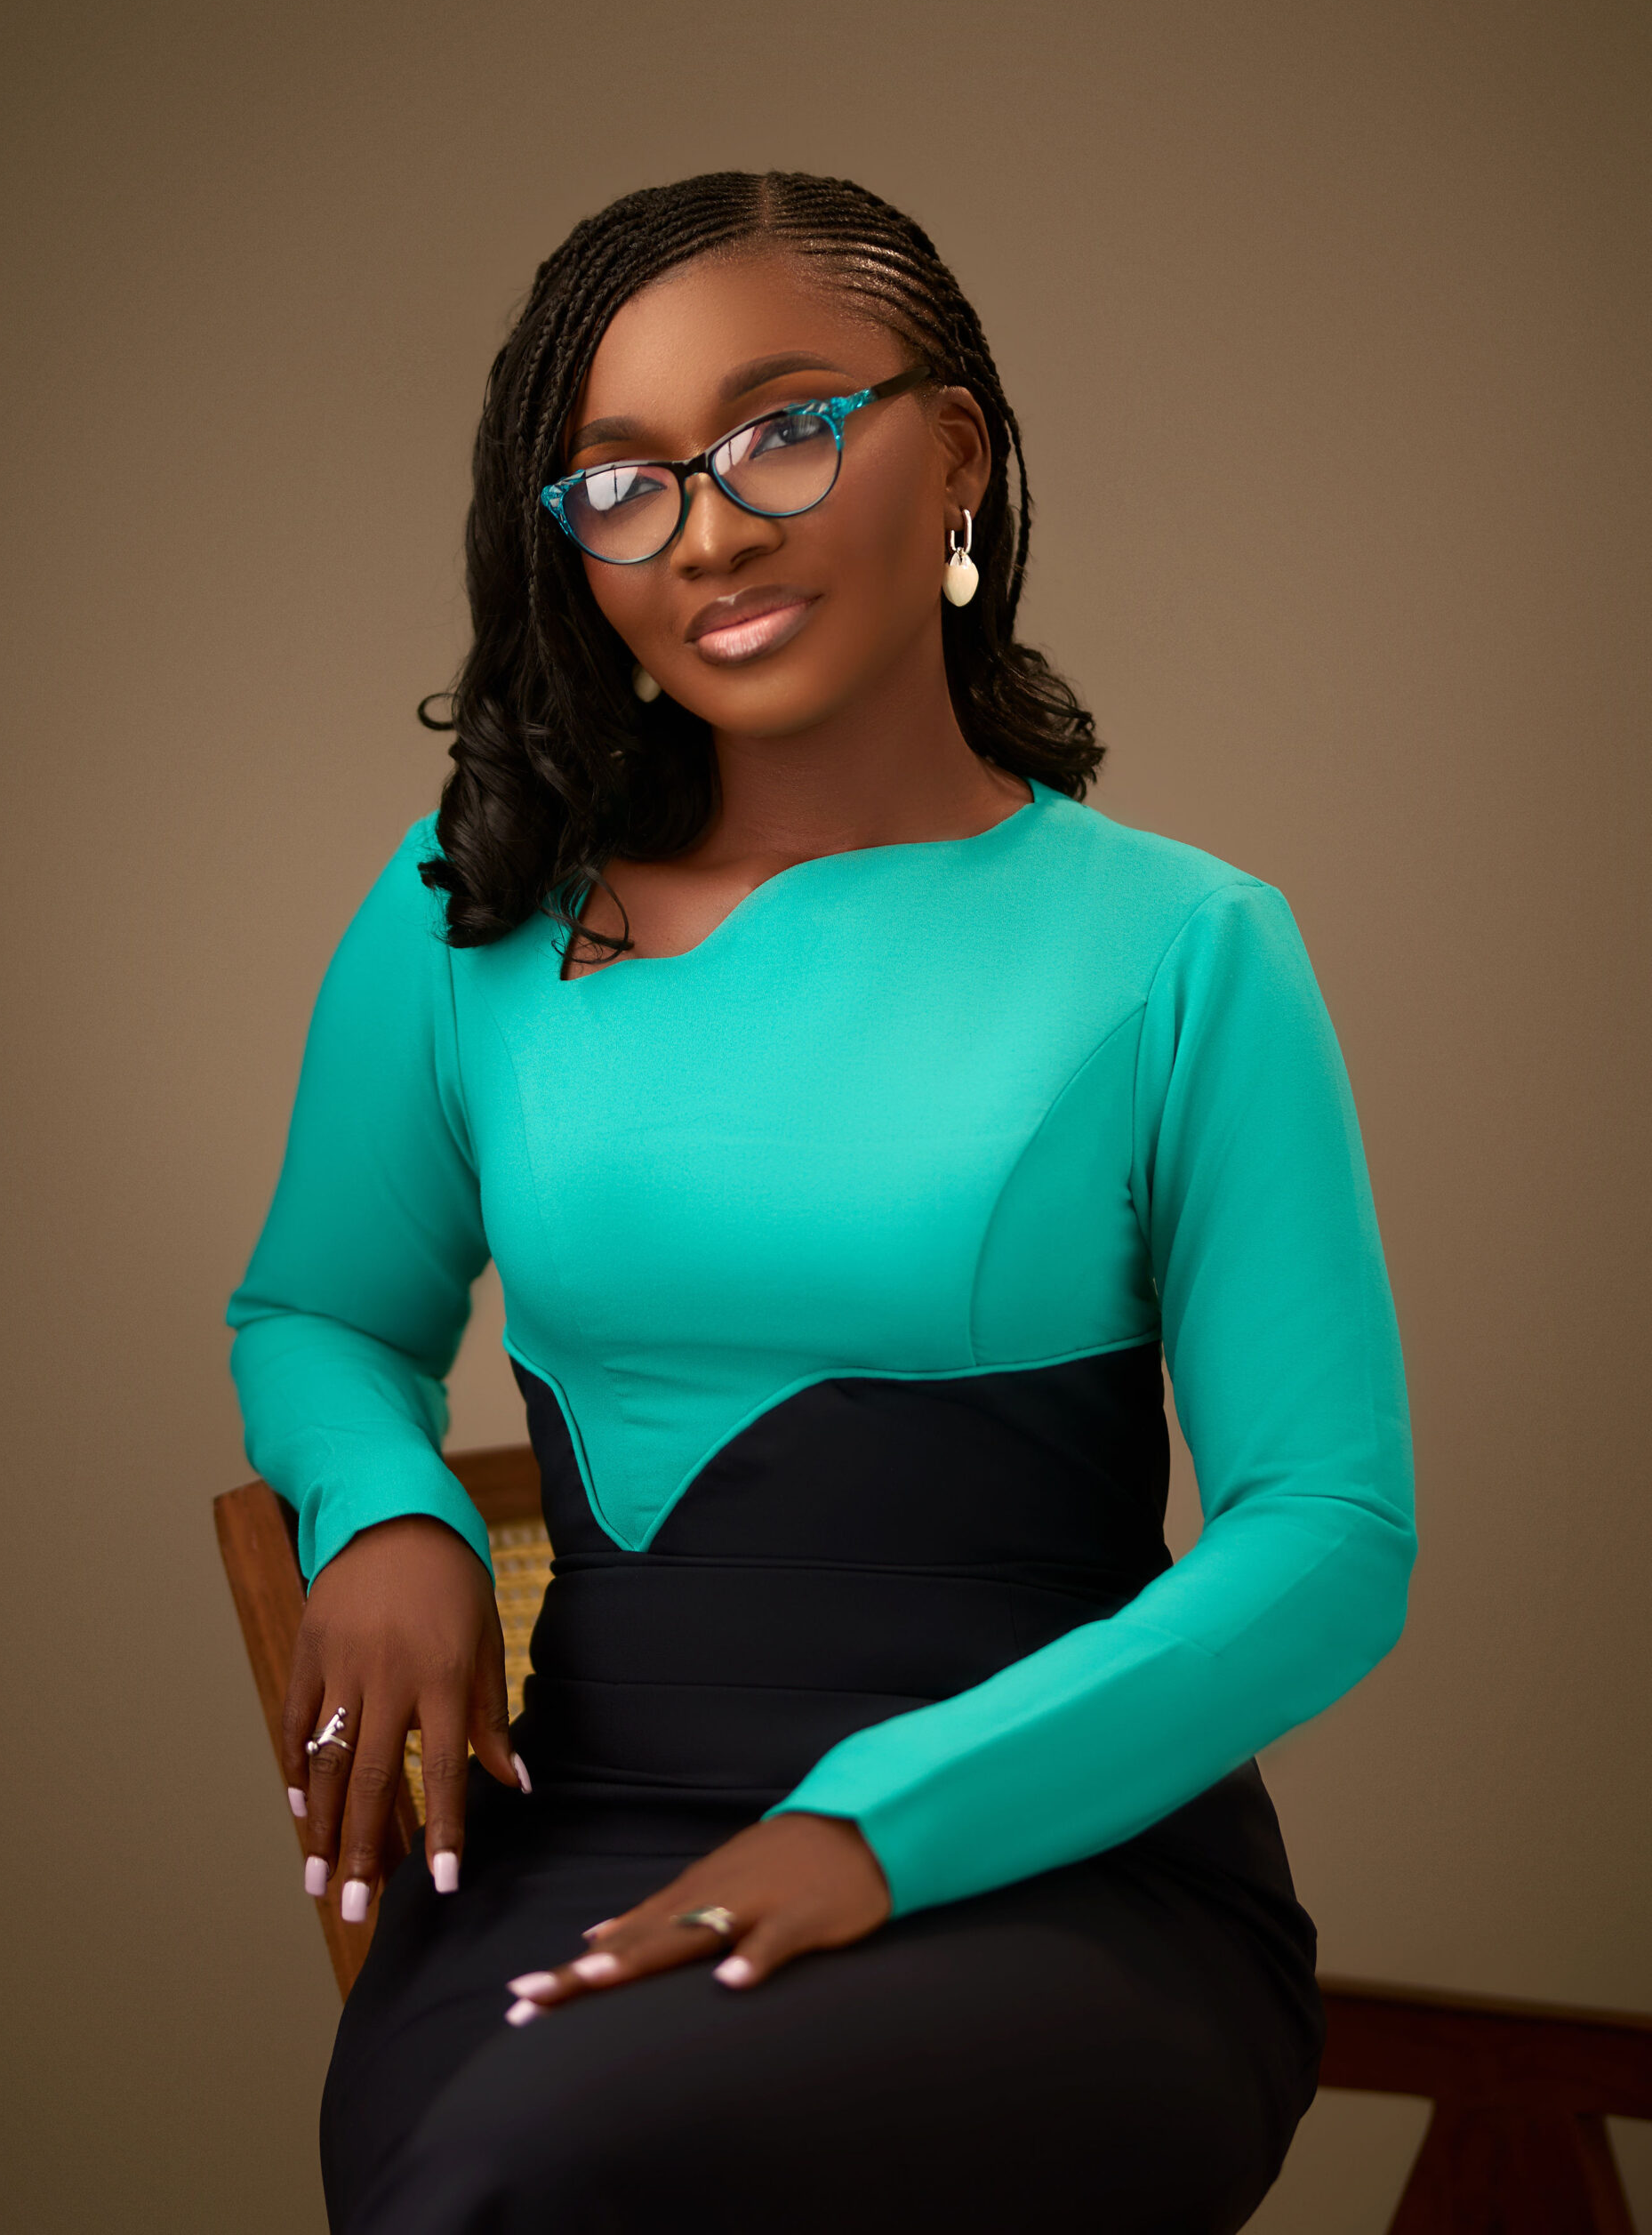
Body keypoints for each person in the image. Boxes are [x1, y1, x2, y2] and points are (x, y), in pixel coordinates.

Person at [227, 170, 1416, 2235]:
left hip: (1069, 1870)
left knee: (549, 2174)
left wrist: (882, 1818)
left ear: (953, 450)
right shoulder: (466, 921)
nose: (707, 529)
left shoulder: (1186, 948)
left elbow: (1328, 1535)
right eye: (619, 481)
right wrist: (387, 1505)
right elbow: (318, 1316)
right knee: (493, 2157)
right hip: (585, 1830)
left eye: (786, 428)